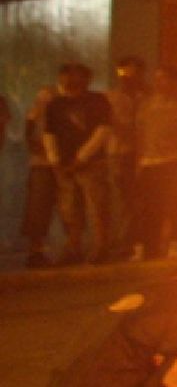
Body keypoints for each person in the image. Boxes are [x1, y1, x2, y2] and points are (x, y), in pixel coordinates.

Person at [43, 62, 113, 265]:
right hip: (64, 165)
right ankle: (73, 247)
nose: (68, 81)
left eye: (73, 76)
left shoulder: (97, 101)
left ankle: (101, 248)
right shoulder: (55, 105)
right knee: (69, 209)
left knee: (96, 206)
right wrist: (55, 160)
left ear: (85, 79)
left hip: (92, 163)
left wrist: (81, 158)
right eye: (64, 76)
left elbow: (103, 131)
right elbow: (49, 133)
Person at [132, 66, 177, 260]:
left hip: (173, 161)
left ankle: (176, 244)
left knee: (174, 205)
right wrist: (140, 159)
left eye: (165, 79)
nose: (160, 83)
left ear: (175, 82)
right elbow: (139, 131)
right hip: (149, 162)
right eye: (157, 79)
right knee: (149, 207)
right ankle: (149, 247)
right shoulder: (146, 105)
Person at [105, 55, 147, 258]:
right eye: (124, 73)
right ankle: (122, 244)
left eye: (134, 73)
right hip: (118, 154)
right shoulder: (110, 98)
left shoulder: (149, 98)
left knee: (141, 199)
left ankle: (138, 243)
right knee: (122, 200)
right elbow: (109, 125)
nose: (128, 78)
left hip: (145, 156)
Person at [20, 86, 58, 268]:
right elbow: (29, 140)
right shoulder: (34, 116)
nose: (44, 102)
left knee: (67, 208)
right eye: (41, 99)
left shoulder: (60, 116)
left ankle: (71, 246)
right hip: (41, 166)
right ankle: (36, 251)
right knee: (38, 209)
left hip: (60, 166)